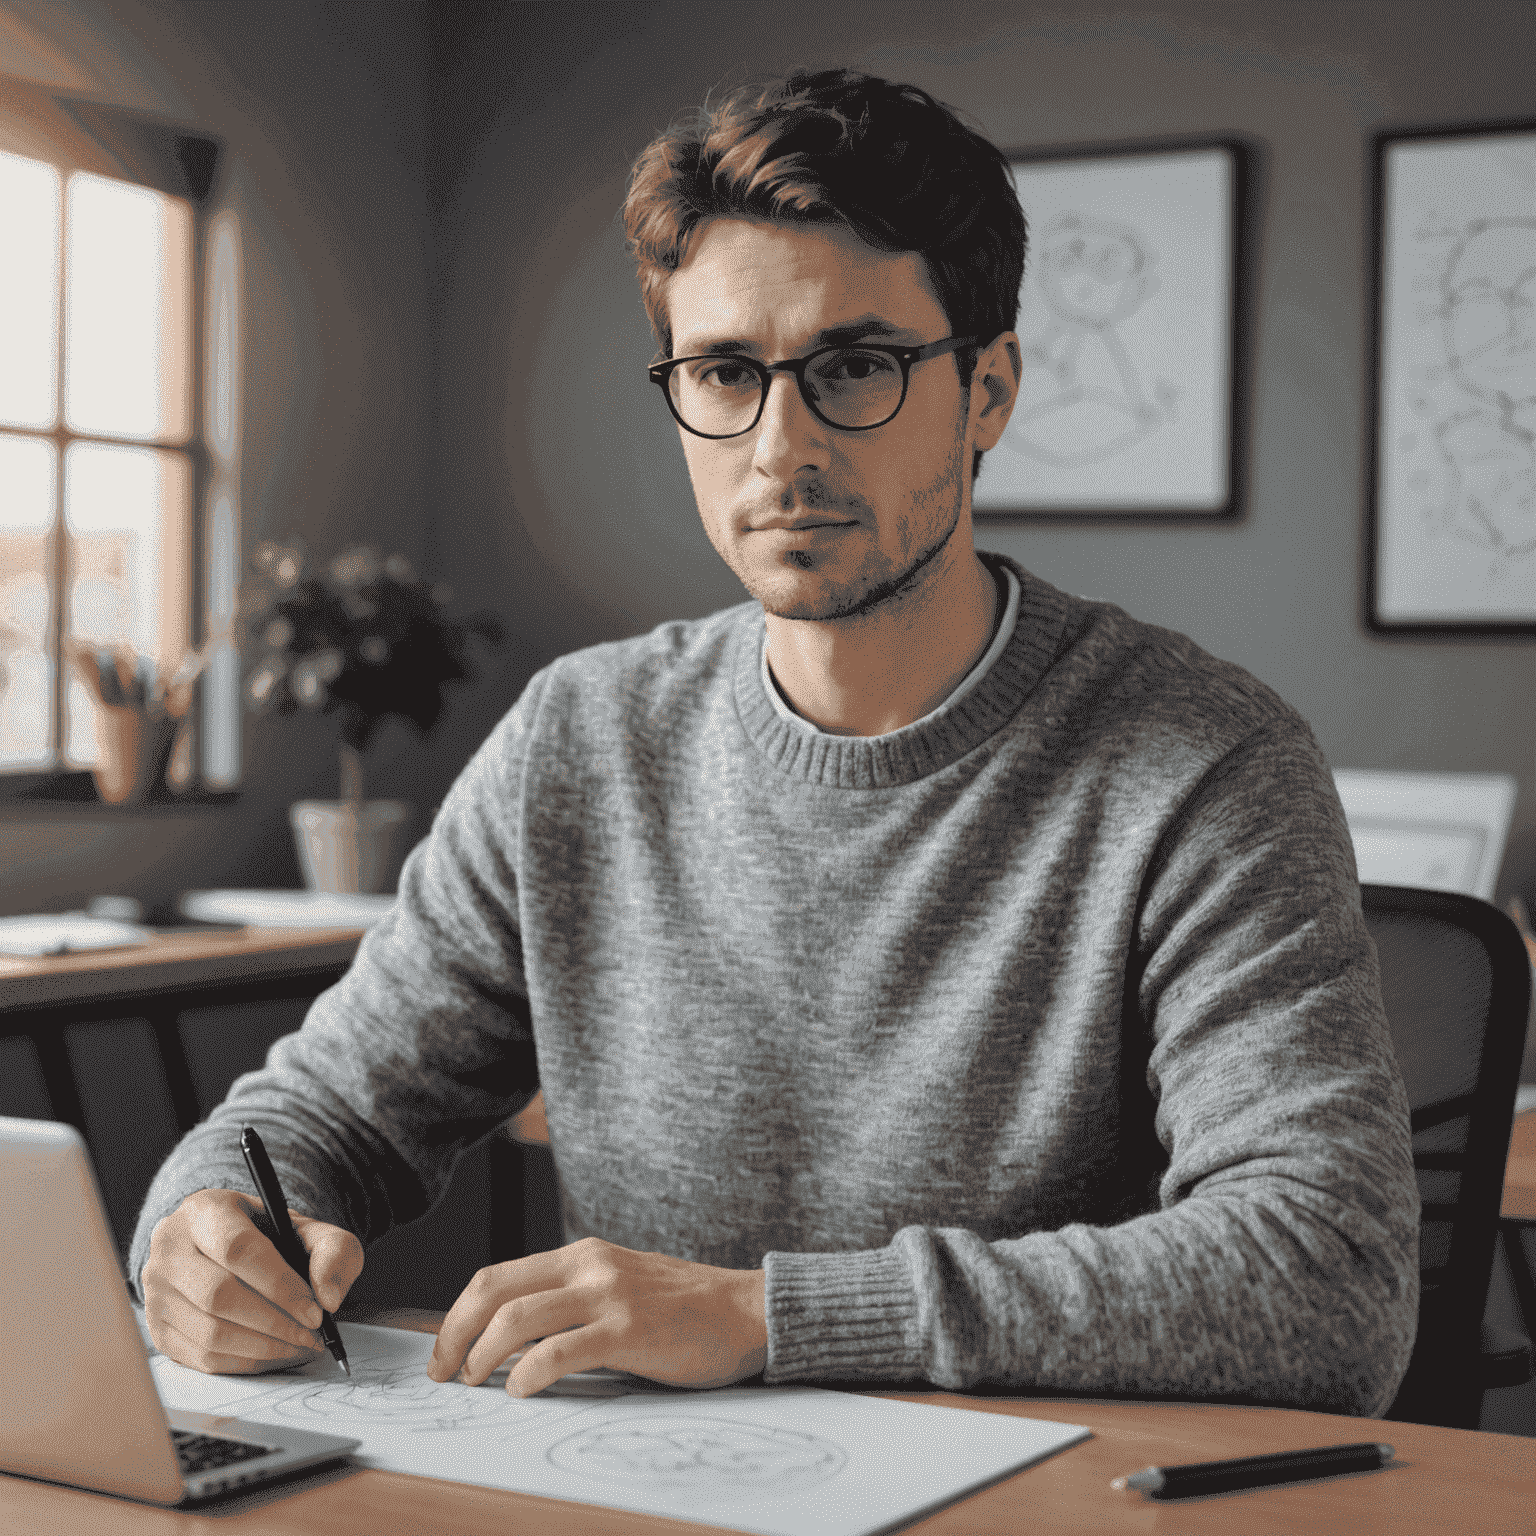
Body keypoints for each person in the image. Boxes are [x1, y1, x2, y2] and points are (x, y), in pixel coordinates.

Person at [132, 69, 1419, 1417]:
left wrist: (771, 1316)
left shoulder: (1205, 765)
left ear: (988, 391)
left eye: (855, 367)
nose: (779, 448)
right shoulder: (578, 740)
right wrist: (208, 1227)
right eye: (726, 373)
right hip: (652, 1501)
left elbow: (1327, 1278)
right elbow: (318, 1121)